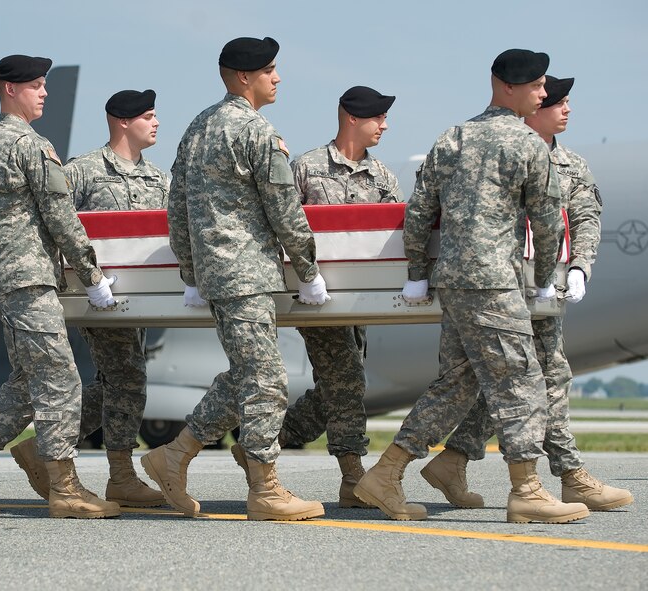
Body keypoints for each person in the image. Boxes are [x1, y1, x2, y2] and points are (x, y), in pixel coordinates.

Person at [353, 49, 590, 524]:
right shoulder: (527, 144)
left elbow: (419, 211)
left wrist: (418, 273)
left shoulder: (453, 136)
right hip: (494, 283)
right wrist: (545, 280)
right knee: (522, 380)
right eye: (538, 86)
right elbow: (547, 222)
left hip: (454, 283)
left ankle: (386, 473)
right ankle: (526, 491)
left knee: (458, 384)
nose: (545, 94)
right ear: (508, 86)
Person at [421, 75, 633, 512]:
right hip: (497, 287)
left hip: (542, 291)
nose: (565, 109)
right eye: (556, 102)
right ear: (532, 107)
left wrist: (580, 267)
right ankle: (567, 477)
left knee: (537, 379)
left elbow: (586, 217)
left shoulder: (571, 164)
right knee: (524, 381)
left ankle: (459, 459)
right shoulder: (491, 152)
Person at [141, 36, 329, 521]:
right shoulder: (255, 131)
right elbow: (284, 208)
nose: (278, 77)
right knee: (267, 378)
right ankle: (265, 490)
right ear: (245, 77)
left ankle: (174, 455)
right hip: (248, 273)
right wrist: (308, 269)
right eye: (270, 70)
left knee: (249, 373)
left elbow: (175, 207)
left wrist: (190, 269)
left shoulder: (198, 128)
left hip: (218, 274)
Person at [0, 55, 120, 519]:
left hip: (2, 278)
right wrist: (92, 276)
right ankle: (64, 486)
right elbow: (62, 216)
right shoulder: (30, 146)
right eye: (36, 85)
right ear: (9, 90)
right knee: (61, 377)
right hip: (27, 278)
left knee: (29, 379)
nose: (44, 92)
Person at [10, 89, 167, 508]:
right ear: (121, 121)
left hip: (144, 299)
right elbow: (54, 223)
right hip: (95, 295)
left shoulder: (159, 178)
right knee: (128, 377)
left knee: (118, 381)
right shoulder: (81, 171)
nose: (155, 123)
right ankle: (120, 474)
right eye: (148, 117)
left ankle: (45, 448)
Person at [271, 86, 403, 508]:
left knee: (337, 386)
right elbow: (282, 226)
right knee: (348, 380)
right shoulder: (307, 168)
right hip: (318, 300)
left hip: (362, 303)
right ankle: (352, 478)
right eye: (376, 117)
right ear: (350, 117)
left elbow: (393, 234)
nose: (384, 125)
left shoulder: (382, 176)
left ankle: (270, 441)